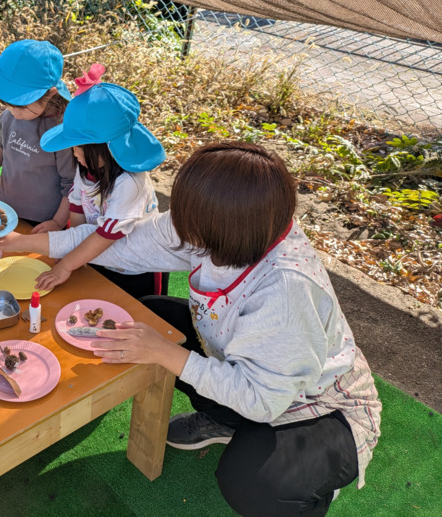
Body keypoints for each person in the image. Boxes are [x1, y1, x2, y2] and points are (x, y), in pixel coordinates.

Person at [87, 141, 382, 516]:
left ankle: (309, 487)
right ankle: (227, 421)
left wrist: (166, 353)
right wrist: (50, 251)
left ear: (222, 225)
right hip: (257, 372)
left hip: (320, 406)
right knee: (156, 318)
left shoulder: (286, 292)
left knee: (251, 483)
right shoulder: (240, 228)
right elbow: (131, 245)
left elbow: (263, 400)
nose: (178, 222)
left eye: (188, 213)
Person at [0, 70, 169, 297]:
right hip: (96, 255)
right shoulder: (87, 166)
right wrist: (71, 253)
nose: (74, 154)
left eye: (79, 147)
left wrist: (67, 264)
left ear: (106, 147)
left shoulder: (129, 183)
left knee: (137, 308)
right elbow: (78, 205)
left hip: (136, 268)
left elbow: (105, 236)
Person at [0, 39, 74, 233]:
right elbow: (2, 145)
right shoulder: (8, 116)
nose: (14, 113)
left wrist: (58, 222)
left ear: (50, 94)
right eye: (8, 104)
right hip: (5, 206)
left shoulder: (61, 132)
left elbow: (71, 184)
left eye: (21, 106)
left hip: (43, 220)